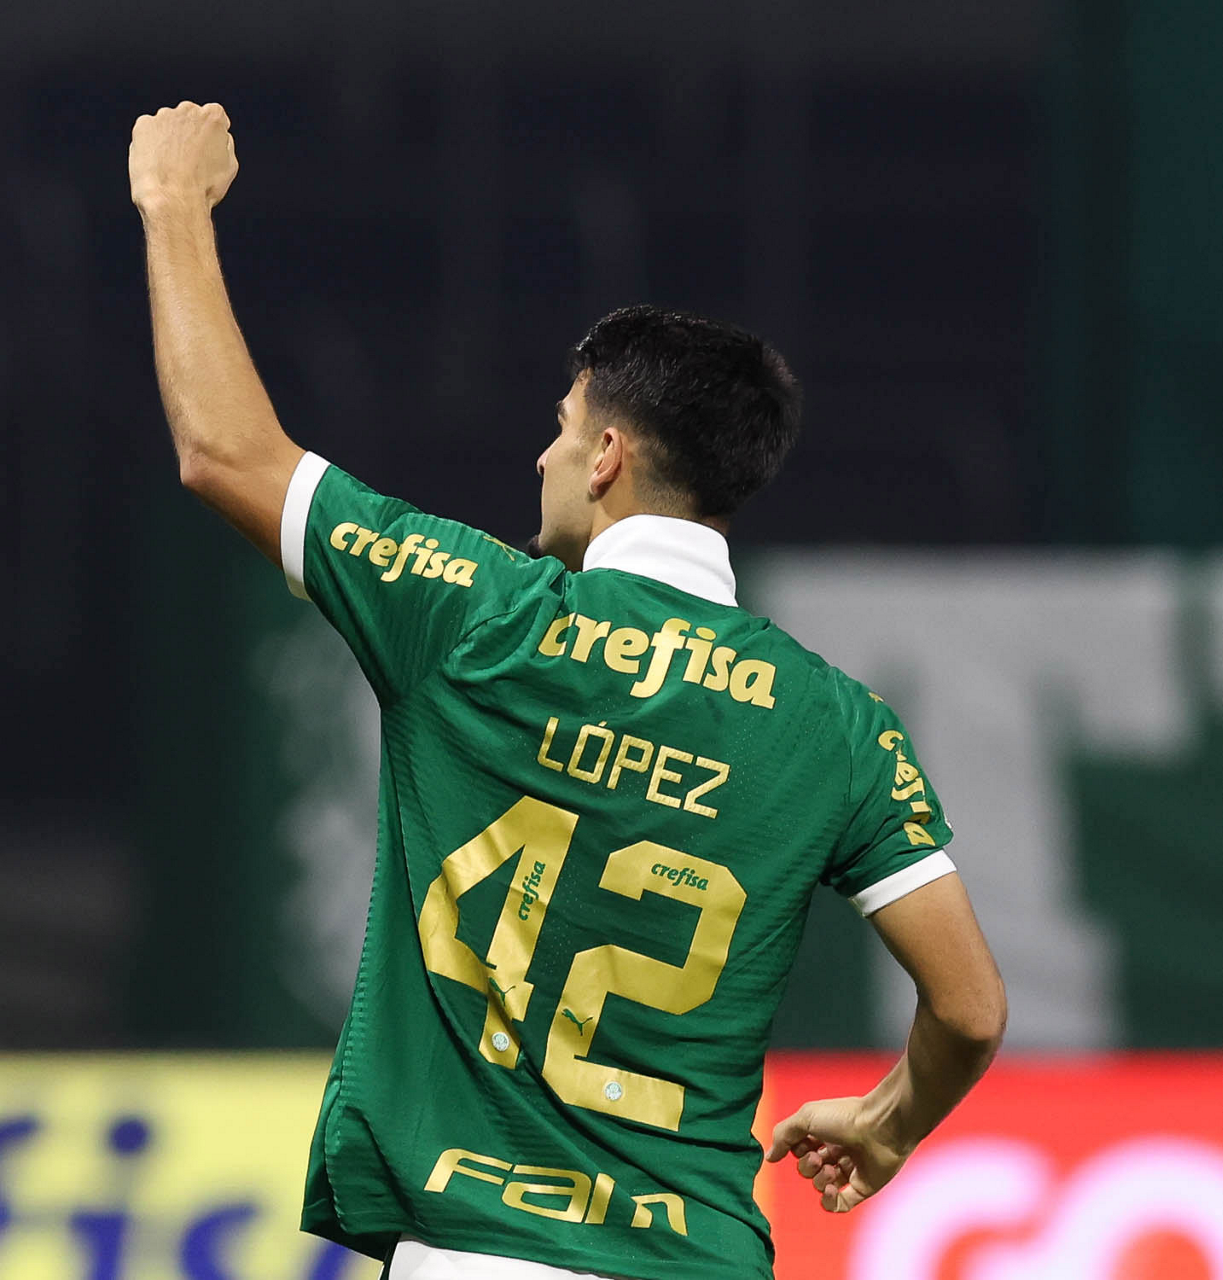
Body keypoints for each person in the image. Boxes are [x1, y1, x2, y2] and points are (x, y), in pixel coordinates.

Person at [129, 102, 1007, 1280]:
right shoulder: (836, 723)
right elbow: (968, 1007)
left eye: (560, 427)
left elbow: (224, 453)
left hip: (479, 1244)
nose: (540, 454)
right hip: (698, 1254)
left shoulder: (472, 611)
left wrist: (172, 205)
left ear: (606, 457)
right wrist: (888, 1122)